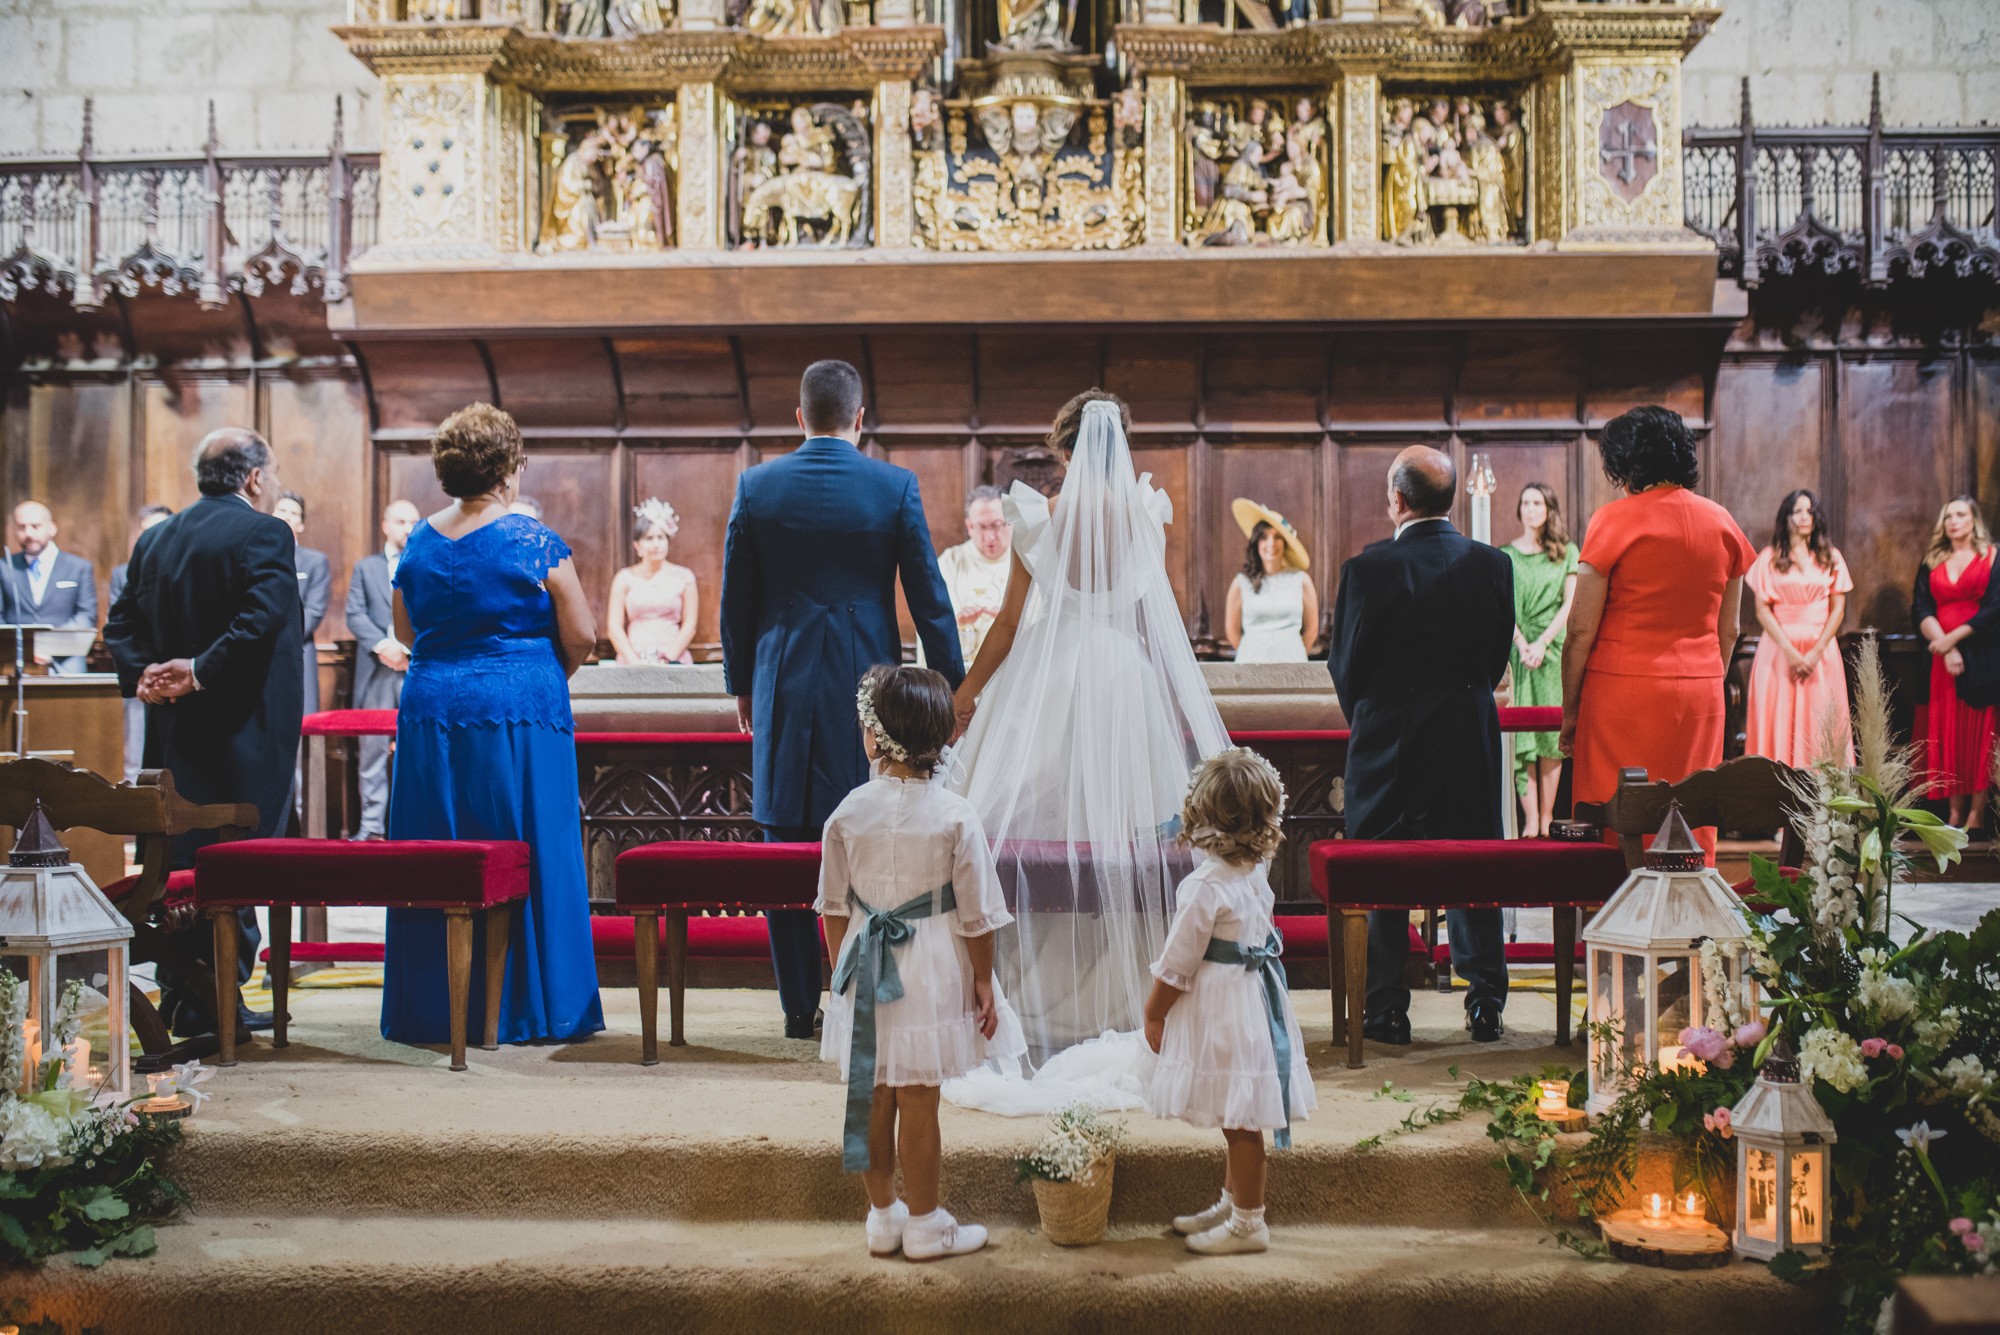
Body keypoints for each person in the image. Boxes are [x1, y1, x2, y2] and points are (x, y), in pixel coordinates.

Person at [947, 391, 1230, 1100]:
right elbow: (1150, 623)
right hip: (1123, 681)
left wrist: (967, 692)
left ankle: (1027, 997)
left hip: (1051, 679)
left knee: (1028, 832)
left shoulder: (1042, 515)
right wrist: (1170, 712)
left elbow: (1010, 625)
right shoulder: (1142, 515)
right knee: (1119, 844)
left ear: (1064, 448)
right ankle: (1117, 999)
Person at [722, 360, 963, 1040]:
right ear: (861, 418)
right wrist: (949, 687)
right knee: (878, 825)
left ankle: (800, 1004)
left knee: (786, 831)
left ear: (799, 418)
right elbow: (929, 596)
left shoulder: (758, 486)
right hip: (873, 685)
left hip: (784, 683)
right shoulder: (892, 486)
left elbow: (736, 599)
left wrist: (742, 681)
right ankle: (871, 986)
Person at [381, 404, 604, 1047]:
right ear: (508, 468)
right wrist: (536, 670)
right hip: (523, 708)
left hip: (432, 709)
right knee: (532, 841)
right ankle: (537, 1008)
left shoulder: (418, 542)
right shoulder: (530, 538)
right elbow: (584, 634)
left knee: (438, 849)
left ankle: (431, 1008)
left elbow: (405, 632)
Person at [817, 666, 1023, 1261]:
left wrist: (839, 975)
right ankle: (928, 1224)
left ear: (874, 738)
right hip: (931, 963)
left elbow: (832, 907)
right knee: (919, 1100)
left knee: (872, 1091)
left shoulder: (847, 813)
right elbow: (978, 914)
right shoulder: (956, 816)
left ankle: (883, 1218)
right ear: (940, 739)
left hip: (863, 960)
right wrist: (983, 980)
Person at [104, 429, 302, 1038]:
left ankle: (186, 996)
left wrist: (145, 674)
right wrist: (196, 672)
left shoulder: (156, 539)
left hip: (175, 736)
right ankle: (216, 1002)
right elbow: (260, 619)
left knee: (178, 862)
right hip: (246, 735)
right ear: (253, 479)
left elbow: (122, 621)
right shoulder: (266, 532)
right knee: (236, 865)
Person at [1330, 445, 1513, 1046]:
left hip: (1389, 736)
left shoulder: (1368, 569)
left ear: (1397, 500)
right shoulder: (1493, 565)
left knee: (1381, 866)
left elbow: (1346, 667)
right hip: (1467, 728)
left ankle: (1386, 1010)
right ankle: (1485, 1002)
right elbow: (1494, 663)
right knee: (1475, 863)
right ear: (1451, 498)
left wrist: (1378, 715)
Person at [1561, 406, 1755, 861]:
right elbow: (1730, 629)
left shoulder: (1614, 520)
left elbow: (1581, 628)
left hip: (1621, 693)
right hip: (1700, 695)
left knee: (1617, 815)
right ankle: (1686, 923)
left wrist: (1572, 708)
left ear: (1626, 463)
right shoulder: (1722, 521)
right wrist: (1704, 677)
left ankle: (1614, 924)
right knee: (1689, 815)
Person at [1144, 748, 1315, 1257]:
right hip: (1251, 999)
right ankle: (1231, 1200)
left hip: (1226, 1005)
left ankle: (1248, 1223)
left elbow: (1178, 962)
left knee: (1241, 1122)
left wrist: (1154, 1012)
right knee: (1235, 1111)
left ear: (1200, 815)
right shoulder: (1253, 875)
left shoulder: (1204, 885)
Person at [1744, 488, 1854, 768]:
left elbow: (1838, 609)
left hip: (1822, 652)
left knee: (1820, 722)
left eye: (1809, 511)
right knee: (1778, 717)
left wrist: (1816, 651)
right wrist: (1790, 651)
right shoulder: (1769, 557)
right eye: (1798, 511)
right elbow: (1762, 610)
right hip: (1779, 651)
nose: (1804, 517)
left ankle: (1823, 797)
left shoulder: (1831, 556)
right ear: (1787, 517)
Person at [1913, 496, 1999, 831]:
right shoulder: (1932, 559)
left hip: (1983, 652)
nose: (1953, 521)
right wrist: (1945, 647)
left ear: (1974, 519)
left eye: (1960, 515)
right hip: (1941, 659)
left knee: (1981, 733)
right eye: (1948, 516)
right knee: (1947, 731)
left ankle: (1977, 814)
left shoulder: (1992, 556)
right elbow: (1919, 609)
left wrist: (1955, 639)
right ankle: (1953, 812)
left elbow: (1995, 607)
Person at [1505, 482, 1578, 837]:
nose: (1531, 508)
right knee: (1522, 736)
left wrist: (1541, 642)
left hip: (1551, 650)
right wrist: (1521, 643)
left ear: (1549, 509)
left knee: (1549, 736)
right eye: (1525, 502)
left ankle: (1548, 816)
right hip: (1518, 650)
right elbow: (1503, 605)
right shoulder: (1506, 554)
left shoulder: (1566, 552)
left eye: (1537, 502)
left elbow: (1570, 603)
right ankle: (1529, 818)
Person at [345, 500, 419, 841]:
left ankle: (413, 828)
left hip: (416, 669)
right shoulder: (366, 567)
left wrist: (406, 648)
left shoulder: (423, 564)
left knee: (418, 752)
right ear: (386, 525)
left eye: (413, 522)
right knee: (372, 754)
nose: (408, 528)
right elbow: (355, 614)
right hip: (376, 671)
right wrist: (384, 646)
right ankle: (372, 828)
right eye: (401, 521)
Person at [110, 505, 174, 784]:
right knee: (135, 751)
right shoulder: (125, 572)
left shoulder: (184, 568)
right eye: (149, 532)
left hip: (178, 674)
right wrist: (143, 670)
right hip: (142, 670)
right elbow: (120, 623)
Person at [3, 500, 98, 673]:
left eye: (35, 526)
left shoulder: (78, 567)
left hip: (67, 662)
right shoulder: (4, 567)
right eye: (22, 527)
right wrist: (26, 649)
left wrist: (50, 645)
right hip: (15, 664)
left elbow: (86, 615)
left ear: (51, 528)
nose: (28, 533)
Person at [1225, 499, 1318, 663]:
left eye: (1277, 537)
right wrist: (1254, 652)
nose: (1271, 544)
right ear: (1256, 543)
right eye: (1264, 537)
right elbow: (1232, 631)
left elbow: (1311, 629)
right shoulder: (1241, 583)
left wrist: (1293, 652)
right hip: (1251, 663)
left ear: (1285, 543)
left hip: (1293, 662)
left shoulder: (1301, 580)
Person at [930, 486, 1014, 666]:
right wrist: (959, 624)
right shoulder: (951, 562)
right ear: (969, 526)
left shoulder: (1026, 560)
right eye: (982, 527)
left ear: (1010, 522)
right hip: (967, 667)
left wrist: (1012, 620)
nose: (990, 537)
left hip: (1015, 668)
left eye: (997, 525)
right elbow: (936, 623)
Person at [608, 497, 698, 665]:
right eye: (649, 538)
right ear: (637, 545)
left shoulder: (685, 577)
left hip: (674, 659)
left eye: (661, 537)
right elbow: (614, 627)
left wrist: (669, 658)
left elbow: (690, 625)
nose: (656, 544)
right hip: (632, 660)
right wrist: (634, 661)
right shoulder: (624, 578)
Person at [272, 492, 332, 717]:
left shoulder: (315, 561)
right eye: (282, 510)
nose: (287, 516)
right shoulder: (255, 555)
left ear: (301, 525)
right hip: (258, 651)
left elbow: (314, 611)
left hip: (298, 649)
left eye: (294, 513)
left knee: (297, 721)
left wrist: (277, 638)